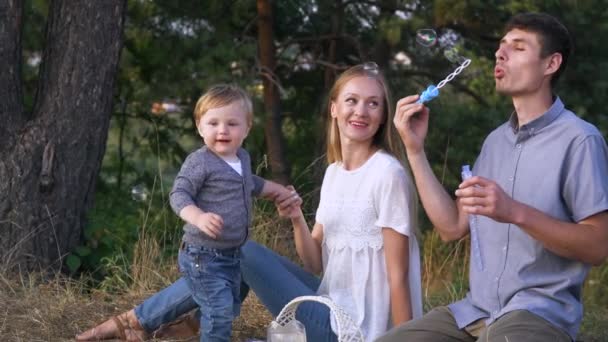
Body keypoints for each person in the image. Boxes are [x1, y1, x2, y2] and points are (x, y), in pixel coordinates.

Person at [76, 63, 423, 342]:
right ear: (334, 108)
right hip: (327, 301)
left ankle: (139, 321)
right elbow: (315, 262)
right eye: (351, 100)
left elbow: (399, 275)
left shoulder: (387, 174)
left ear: (382, 115)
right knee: (238, 253)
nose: (360, 111)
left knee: (238, 250)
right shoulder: (334, 173)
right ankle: (171, 320)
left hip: (352, 330)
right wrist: (297, 219)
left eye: (373, 103)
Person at [378, 12, 608, 342]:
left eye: (518, 47)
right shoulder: (494, 142)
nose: (500, 54)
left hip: (538, 313)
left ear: (551, 64)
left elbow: (598, 246)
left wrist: (514, 212)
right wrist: (414, 149)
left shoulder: (580, 140)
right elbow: (451, 228)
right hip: (476, 312)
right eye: (501, 46)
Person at [77, 84, 300, 342]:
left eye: (232, 123)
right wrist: (198, 217)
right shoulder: (200, 161)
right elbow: (179, 195)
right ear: (200, 127)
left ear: (247, 128)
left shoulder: (242, 158)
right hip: (201, 254)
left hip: (231, 253)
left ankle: (173, 325)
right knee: (219, 310)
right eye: (213, 123)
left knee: (233, 294)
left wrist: (276, 191)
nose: (222, 130)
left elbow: (250, 182)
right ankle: (204, 331)